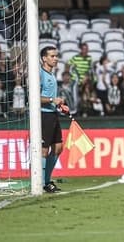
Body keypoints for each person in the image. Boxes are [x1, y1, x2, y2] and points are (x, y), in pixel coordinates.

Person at [40, 46, 69, 193]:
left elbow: (51, 99)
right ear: (44, 58)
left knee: (58, 148)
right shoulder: (39, 74)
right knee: (43, 150)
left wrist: (59, 105)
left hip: (53, 114)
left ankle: (47, 180)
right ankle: (41, 183)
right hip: (43, 115)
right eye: (52, 56)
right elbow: (34, 97)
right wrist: (52, 99)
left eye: (56, 56)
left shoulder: (51, 75)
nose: (55, 58)